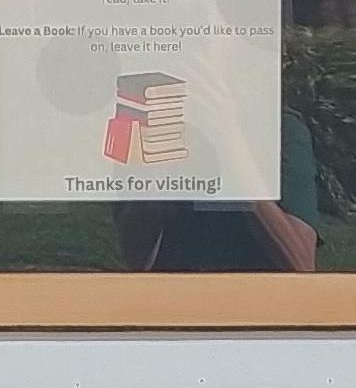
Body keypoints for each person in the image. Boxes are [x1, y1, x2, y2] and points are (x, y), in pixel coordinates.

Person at [115, 110, 320, 272]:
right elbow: (137, 260)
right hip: (176, 307)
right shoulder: (149, 127)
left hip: (259, 311)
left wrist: (230, 148)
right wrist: (155, 184)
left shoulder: (278, 130)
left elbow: (301, 265)